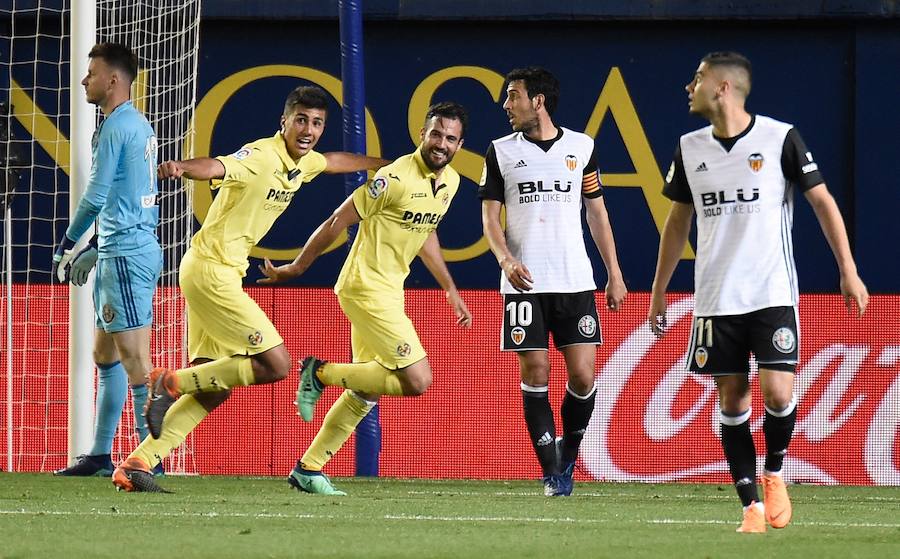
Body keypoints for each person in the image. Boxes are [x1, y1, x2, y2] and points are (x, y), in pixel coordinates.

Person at [110, 85, 388, 492]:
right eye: (301, 120)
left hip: (215, 271)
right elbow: (217, 166)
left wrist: (387, 165)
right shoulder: (261, 156)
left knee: (213, 387)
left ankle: (137, 463)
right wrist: (183, 167)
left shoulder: (304, 162)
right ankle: (170, 382)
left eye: (317, 123)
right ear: (284, 122)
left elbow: (333, 162)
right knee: (276, 365)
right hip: (211, 273)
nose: (308, 130)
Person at [648, 52, 868, 532]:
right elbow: (678, 222)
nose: (689, 86)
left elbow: (823, 202)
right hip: (714, 299)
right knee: (732, 400)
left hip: (772, 292)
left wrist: (848, 270)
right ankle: (750, 506)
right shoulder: (689, 147)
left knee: (777, 391)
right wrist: (659, 289)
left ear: (723, 87)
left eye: (698, 77)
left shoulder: (779, 138)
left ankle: (774, 471)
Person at [258, 101, 473, 496]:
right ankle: (319, 373)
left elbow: (425, 232)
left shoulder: (451, 182)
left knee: (367, 389)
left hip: (389, 290)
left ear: (459, 145)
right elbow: (336, 220)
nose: (441, 143)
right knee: (417, 379)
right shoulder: (394, 179)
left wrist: (450, 289)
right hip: (365, 287)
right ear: (422, 135)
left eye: (450, 138)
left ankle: (308, 469)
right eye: (435, 134)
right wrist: (297, 267)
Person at [479, 67, 627, 497]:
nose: (506, 105)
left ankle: (569, 453)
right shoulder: (500, 151)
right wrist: (505, 259)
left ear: (538, 101)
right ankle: (552, 475)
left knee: (583, 376)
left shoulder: (582, 147)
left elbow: (596, 211)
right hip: (524, 283)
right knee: (536, 371)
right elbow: (490, 217)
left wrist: (614, 272)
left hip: (574, 280)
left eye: (514, 96)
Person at [51, 42, 163, 477]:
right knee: (105, 354)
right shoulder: (134, 123)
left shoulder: (118, 127)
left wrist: (68, 242)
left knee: (136, 360)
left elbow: (97, 195)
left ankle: (149, 460)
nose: (84, 80)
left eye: (92, 73)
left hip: (128, 255)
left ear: (113, 80)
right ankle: (100, 455)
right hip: (117, 248)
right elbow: (129, 194)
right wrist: (98, 245)